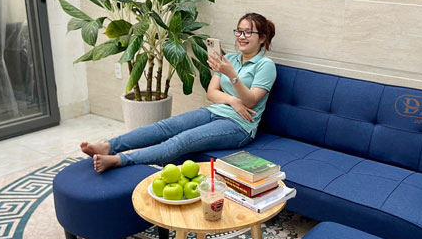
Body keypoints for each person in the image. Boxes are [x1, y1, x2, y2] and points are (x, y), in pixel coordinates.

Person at [80, 13, 277, 173]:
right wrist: (232, 100)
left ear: (262, 38)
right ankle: (108, 146)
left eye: (248, 32)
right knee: (165, 126)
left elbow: (250, 101)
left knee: (182, 140)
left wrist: (231, 75)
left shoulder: (266, 65)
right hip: (214, 111)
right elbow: (211, 93)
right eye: (239, 31)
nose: (241, 36)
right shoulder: (230, 59)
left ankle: (119, 160)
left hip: (239, 126)